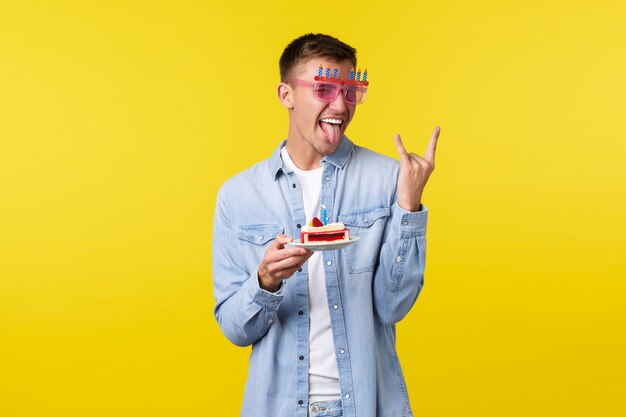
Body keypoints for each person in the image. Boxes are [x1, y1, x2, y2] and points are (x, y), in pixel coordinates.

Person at [212, 33, 440, 417]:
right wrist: (264, 281)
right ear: (286, 95)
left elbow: (392, 307)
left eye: (350, 91)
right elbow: (236, 330)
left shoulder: (389, 179)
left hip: (367, 404)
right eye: (324, 89)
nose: (340, 105)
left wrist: (409, 207)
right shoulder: (238, 196)